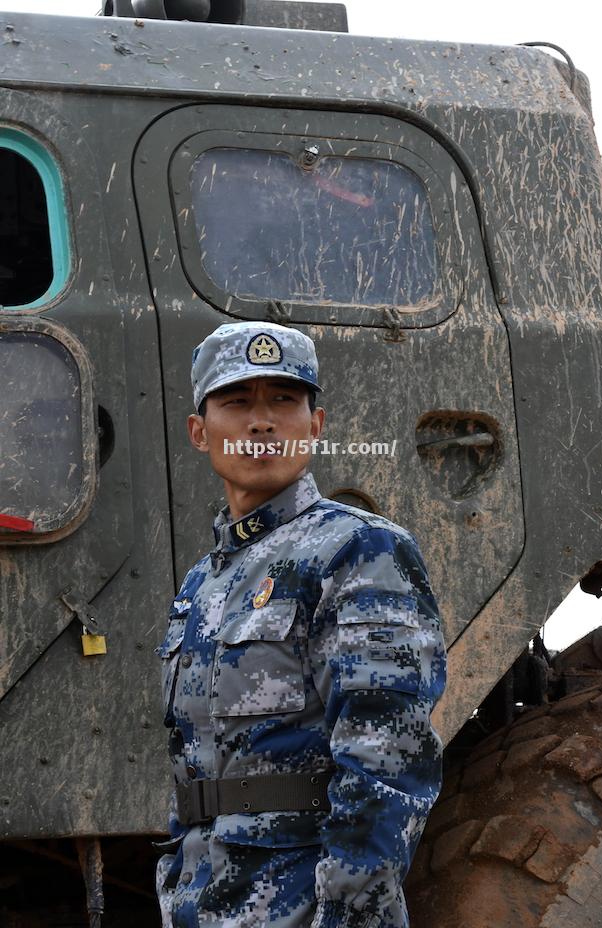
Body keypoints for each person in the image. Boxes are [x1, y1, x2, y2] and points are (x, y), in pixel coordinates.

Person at [155, 320, 446, 928]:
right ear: (199, 432)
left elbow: (385, 763)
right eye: (237, 402)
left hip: (302, 907)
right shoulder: (204, 582)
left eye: (283, 401)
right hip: (201, 904)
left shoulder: (358, 550)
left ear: (315, 425)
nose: (261, 422)